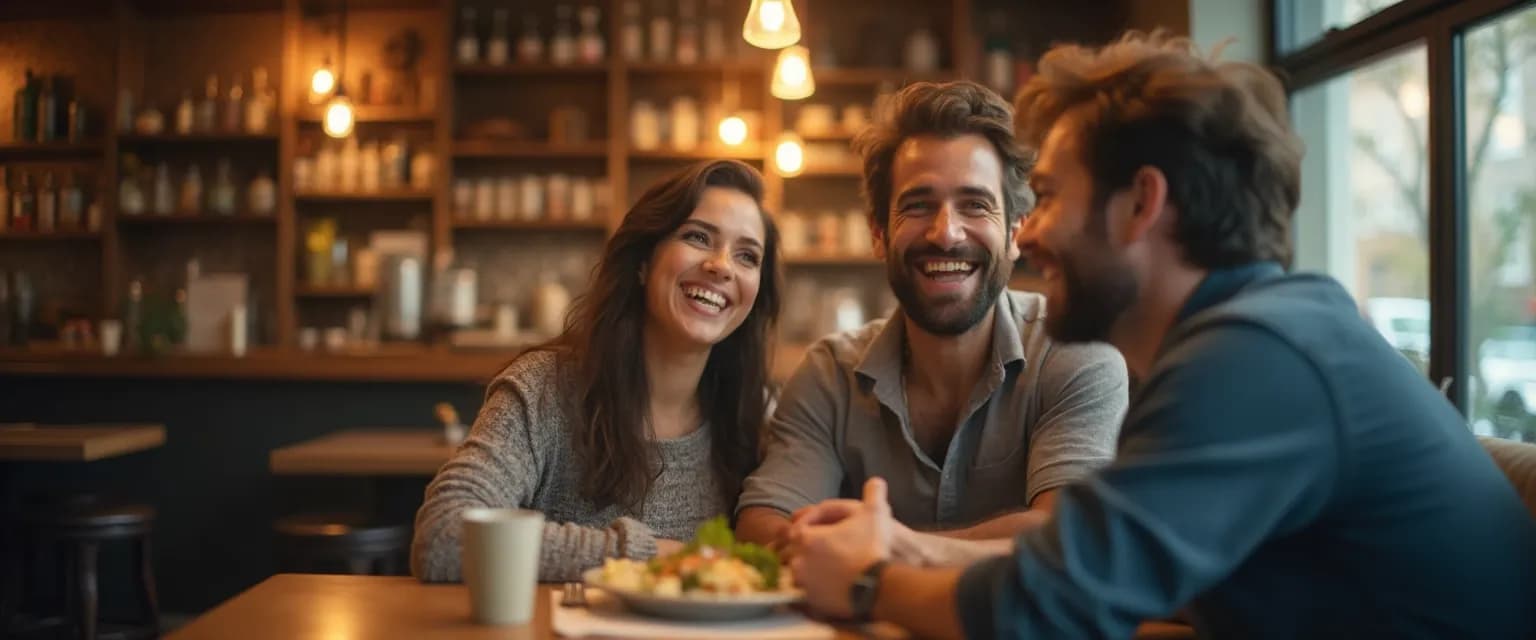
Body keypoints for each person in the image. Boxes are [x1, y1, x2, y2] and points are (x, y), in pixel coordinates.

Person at [782, 33, 1536, 639]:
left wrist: (867, 582)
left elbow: (1052, 607)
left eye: (1045, 197)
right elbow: (1098, 567)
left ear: (1140, 203)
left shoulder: (1255, 359)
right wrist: (907, 547)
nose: (1031, 235)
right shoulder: (1259, 334)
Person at [735, 80, 1128, 559]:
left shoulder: (1073, 350)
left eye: (975, 205)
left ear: (1014, 235)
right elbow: (762, 523)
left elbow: (1070, 531)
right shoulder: (830, 375)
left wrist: (884, 548)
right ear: (879, 235)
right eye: (919, 205)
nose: (946, 233)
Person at [412, 160, 782, 582]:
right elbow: (443, 536)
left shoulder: (757, 416)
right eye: (698, 237)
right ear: (643, 262)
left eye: (747, 255)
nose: (723, 266)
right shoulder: (543, 391)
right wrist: (642, 556)